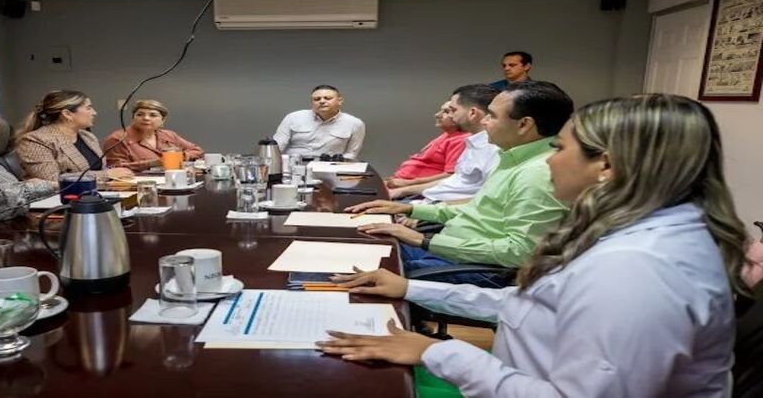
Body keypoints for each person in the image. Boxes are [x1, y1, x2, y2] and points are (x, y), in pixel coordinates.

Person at [320, 94, 748, 397]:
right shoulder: (634, 234)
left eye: (560, 148)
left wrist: (438, 352)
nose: (550, 160)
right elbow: (531, 305)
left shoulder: (638, 269)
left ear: (606, 165)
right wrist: (411, 289)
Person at [346, 81, 571, 286]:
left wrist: (423, 240)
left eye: (492, 116)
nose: (484, 121)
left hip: (475, 268)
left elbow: (520, 252)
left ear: (524, 124)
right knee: (363, 242)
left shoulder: (537, 173)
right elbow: (480, 210)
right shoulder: (513, 157)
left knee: (361, 265)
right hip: (451, 251)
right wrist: (409, 209)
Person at [388, 84, 501, 201]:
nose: (450, 116)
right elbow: (455, 181)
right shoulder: (474, 143)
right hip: (431, 201)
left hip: (441, 206)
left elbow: (484, 199)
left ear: (472, 113)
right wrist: (404, 191)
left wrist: (415, 207)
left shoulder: (493, 147)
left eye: (453, 110)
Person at [16, 90, 133, 181]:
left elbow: (101, 168)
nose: (94, 113)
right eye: (88, 108)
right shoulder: (35, 140)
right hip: (57, 201)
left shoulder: (88, 137)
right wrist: (106, 175)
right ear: (67, 114)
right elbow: (52, 180)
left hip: (96, 195)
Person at [384, 100, 469, 193]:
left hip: (411, 190)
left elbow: (451, 176)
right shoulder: (447, 135)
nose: (437, 115)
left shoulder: (461, 140)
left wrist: (408, 183)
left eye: (446, 111)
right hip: (397, 183)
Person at [102, 99, 204, 173]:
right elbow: (115, 168)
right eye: (140, 114)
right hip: (136, 186)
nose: (146, 118)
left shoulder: (169, 135)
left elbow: (197, 151)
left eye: (153, 115)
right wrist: (151, 163)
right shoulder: (118, 139)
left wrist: (180, 157)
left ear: (162, 120)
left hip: (171, 180)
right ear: (133, 118)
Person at [273, 85, 365, 160]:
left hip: (330, 167)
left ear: (340, 101)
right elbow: (276, 148)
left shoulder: (355, 123)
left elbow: (351, 154)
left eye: (327, 98)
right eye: (317, 99)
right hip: (293, 165)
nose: (322, 101)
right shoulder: (293, 117)